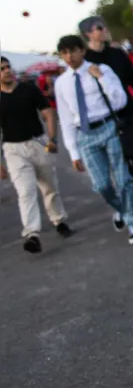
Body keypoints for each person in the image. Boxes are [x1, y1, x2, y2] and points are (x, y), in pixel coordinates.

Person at [54, 36, 133, 245]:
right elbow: (66, 118)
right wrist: (73, 152)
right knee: (101, 185)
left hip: (109, 127)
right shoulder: (61, 83)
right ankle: (120, 209)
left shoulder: (101, 69)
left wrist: (101, 78)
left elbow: (120, 100)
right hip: (85, 135)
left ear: (82, 51)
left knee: (123, 180)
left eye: (73, 51)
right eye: (64, 53)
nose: (69, 56)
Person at [81, 16, 133, 208]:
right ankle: (132, 191)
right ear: (88, 34)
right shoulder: (86, 62)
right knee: (120, 157)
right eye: (99, 28)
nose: (104, 30)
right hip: (106, 117)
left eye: (104, 26)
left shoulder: (117, 54)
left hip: (128, 112)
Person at [0, 56, 73, 253]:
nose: (7, 71)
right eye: (2, 69)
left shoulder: (28, 89)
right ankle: (32, 234)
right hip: (13, 150)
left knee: (49, 186)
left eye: (8, 67)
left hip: (37, 142)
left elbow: (48, 112)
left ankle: (59, 220)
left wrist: (52, 139)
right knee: (25, 191)